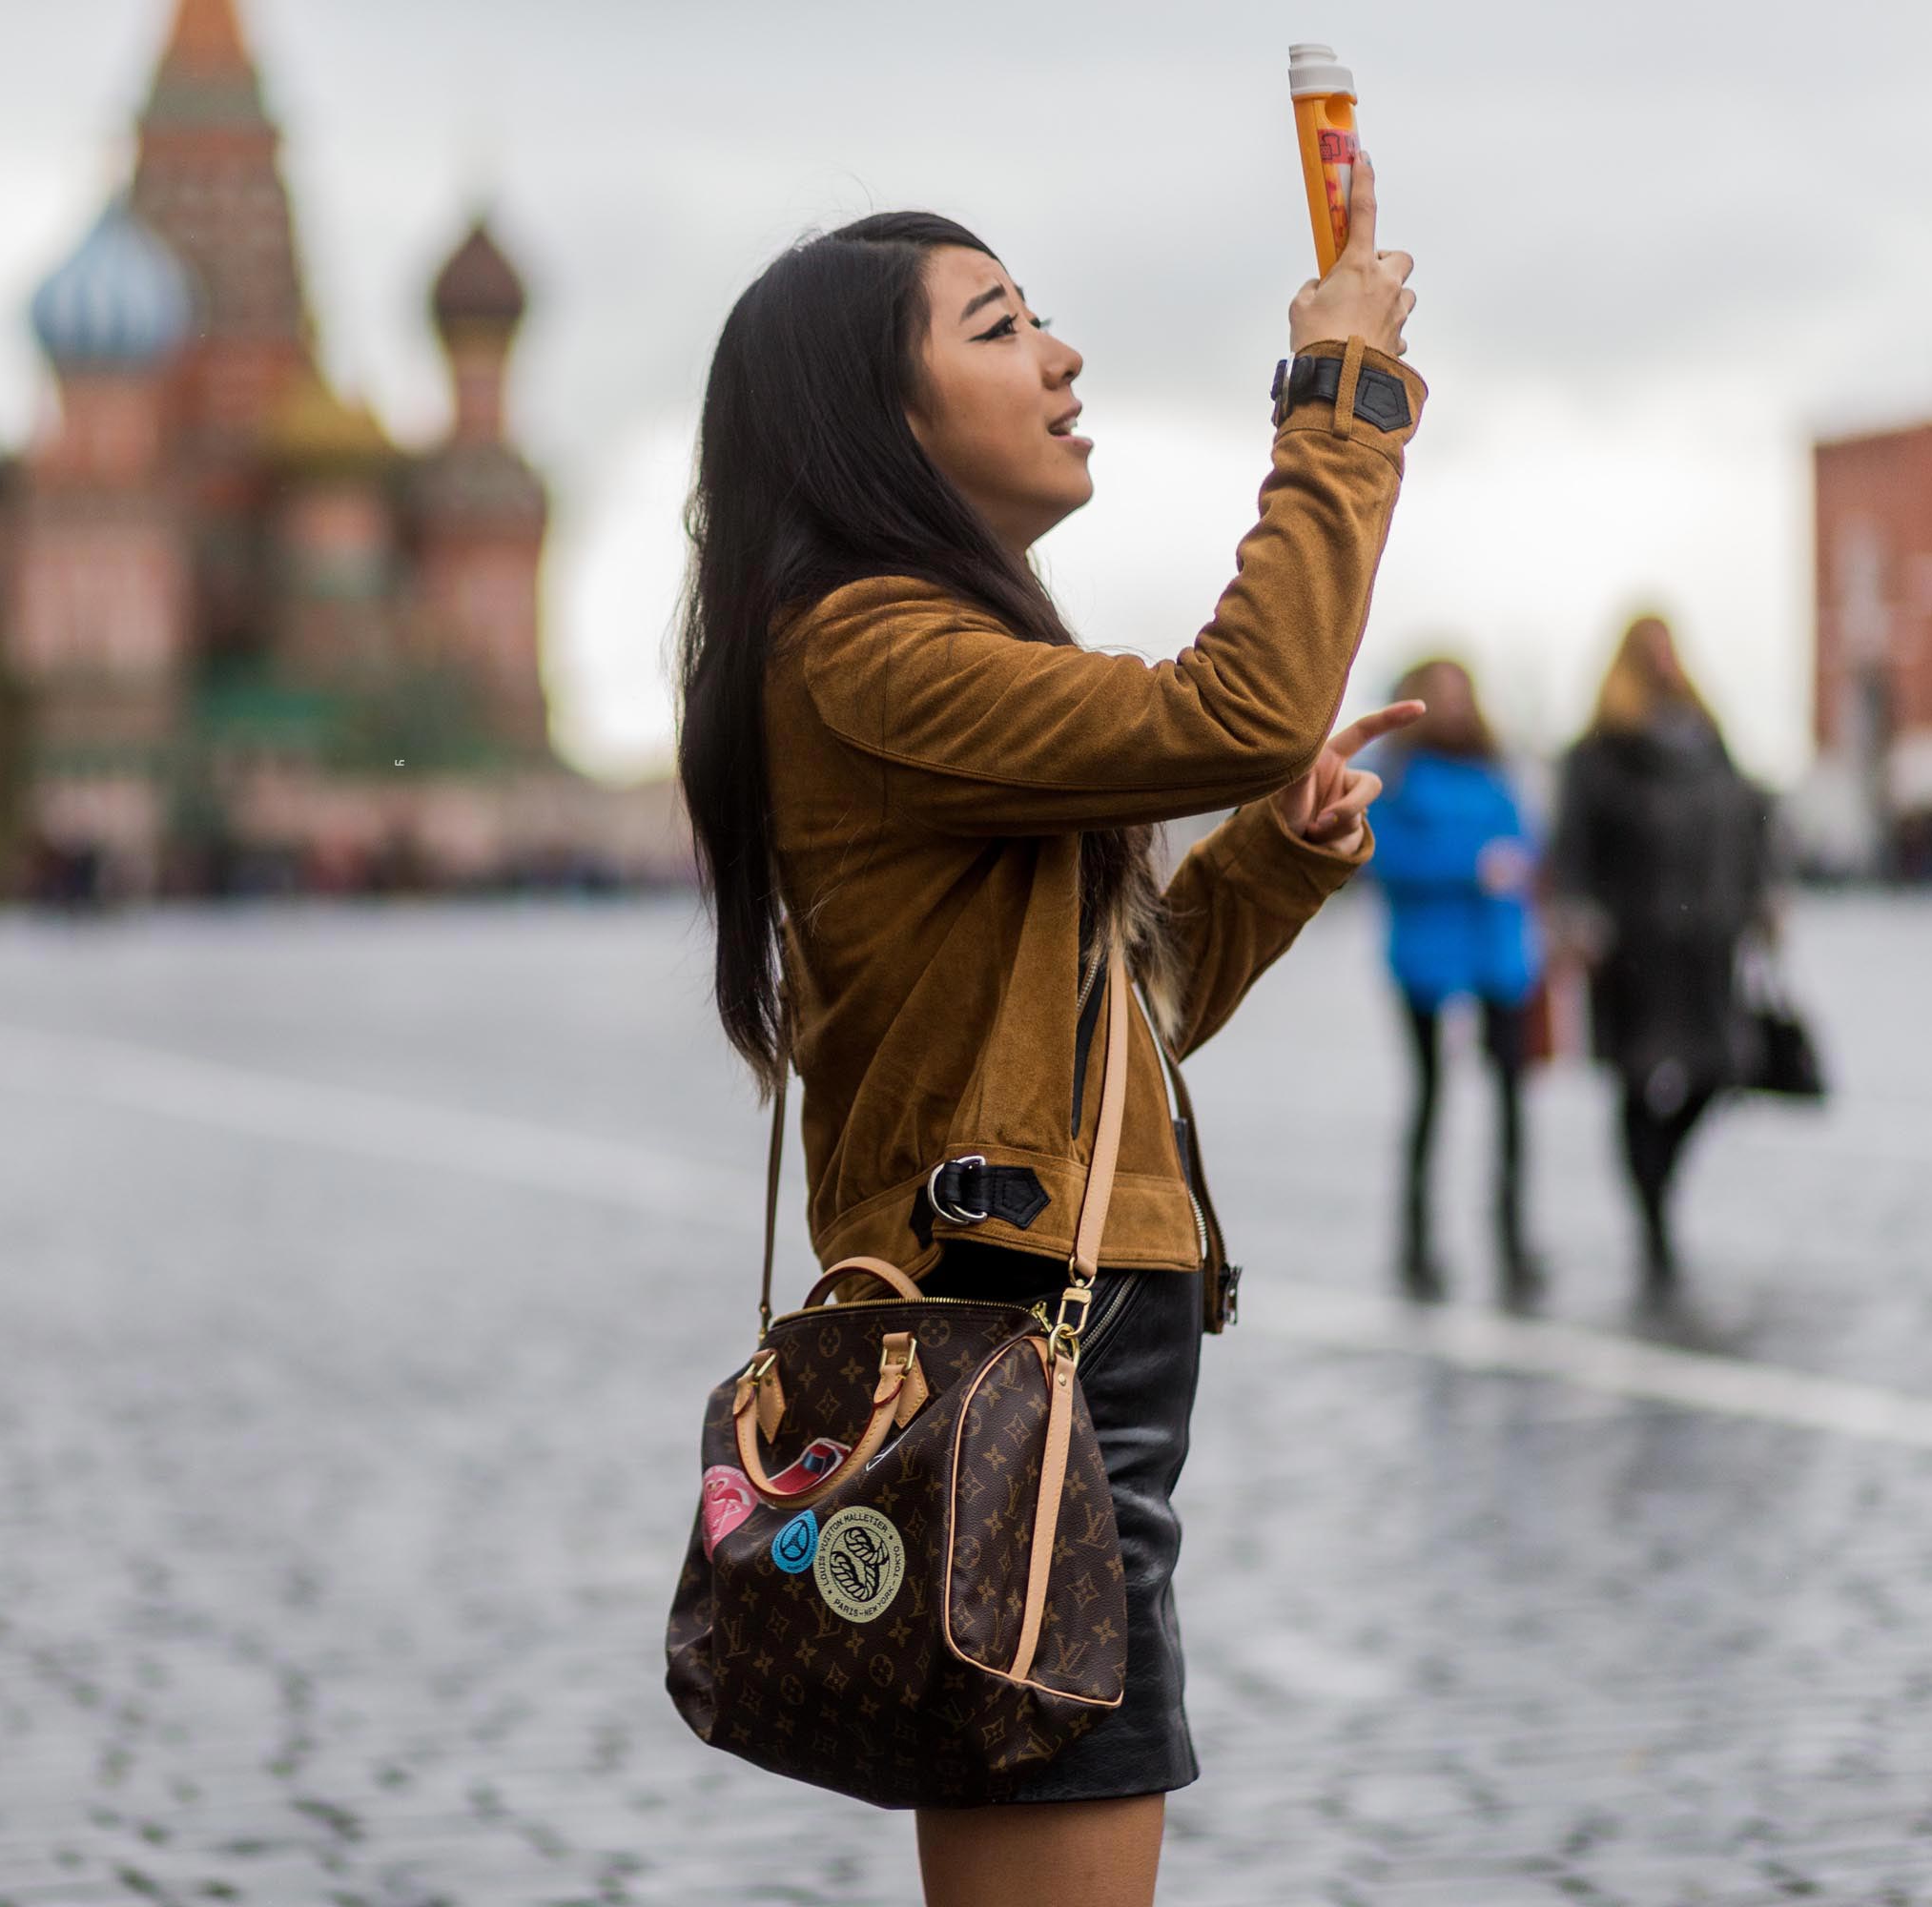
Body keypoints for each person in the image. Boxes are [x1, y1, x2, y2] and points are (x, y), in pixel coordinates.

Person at [673, 155, 1419, 1907]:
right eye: (1003, 326)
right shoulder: (864, 650)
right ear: (883, 425)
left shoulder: (900, 650)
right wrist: (1343, 395)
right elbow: (1245, 700)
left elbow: (1112, 1043)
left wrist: (1277, 859)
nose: (1064, 357)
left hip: (1049, 1353)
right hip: (1022, 1377)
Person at [1552, 615, 1772, 1294]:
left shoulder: (1709, 742)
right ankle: (1651, 1218)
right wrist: (1578, 915)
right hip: (1633, 940)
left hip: (1708, 937)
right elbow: (1573, 845)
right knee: (1636, 1077)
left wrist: (1761, 898)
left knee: (1720, 1070)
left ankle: (1659, 1180)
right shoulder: (1598, 753)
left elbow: (1750, 821)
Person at [1364, 658, 1542, 1306]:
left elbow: (1527, 835)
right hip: (1427, 956)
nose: (1455, 706)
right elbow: (1382, 855)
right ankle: (1416, 1241)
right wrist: (1472, 864)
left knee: (1513, 1101)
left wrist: (1513, 864)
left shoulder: (1495, 768)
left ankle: (1515, 1234)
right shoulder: (1397, 776)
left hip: (1498, 953)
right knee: (1429, 1098)